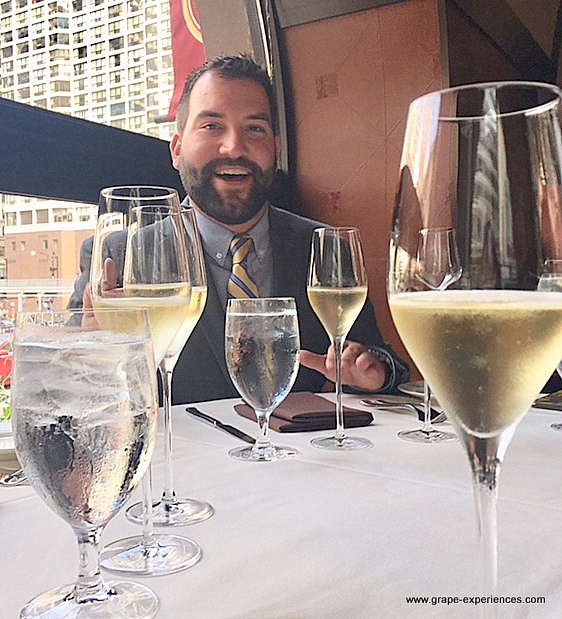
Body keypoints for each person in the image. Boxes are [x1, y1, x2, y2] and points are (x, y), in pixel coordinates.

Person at [71, 54, 409, 404]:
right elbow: (67, 390)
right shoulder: (120, 256)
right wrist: (92, 360)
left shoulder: (324, 246)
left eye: (254, 129)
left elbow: (380, 358)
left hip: (296, 440)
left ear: (276, 148)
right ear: (177, 149)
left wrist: (373, 372)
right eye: (211, 126)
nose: (234, 147)